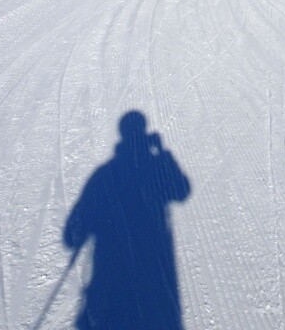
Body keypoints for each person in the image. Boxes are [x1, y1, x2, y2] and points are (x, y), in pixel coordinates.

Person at [63, 111, 191, 329]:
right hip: (151, 267)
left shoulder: (103, 175)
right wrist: (163, 153)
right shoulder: (157, 166)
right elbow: (181, 190)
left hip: (110, 271)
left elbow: (71, 237)